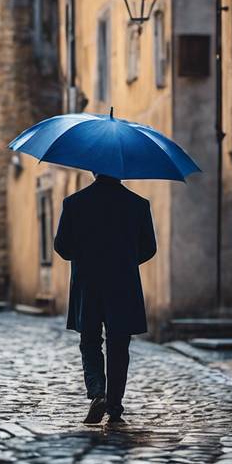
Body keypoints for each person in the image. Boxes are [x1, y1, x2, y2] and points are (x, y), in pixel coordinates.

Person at [54, 173, 157, 425]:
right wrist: (126, 261)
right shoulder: (138, 204)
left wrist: (84, 254)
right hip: (123, 284)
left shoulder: (74, 203)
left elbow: (62, 247)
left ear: (93, 171)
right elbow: (149, 247)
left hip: (87, 283)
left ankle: (97, 392)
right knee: (119, 345)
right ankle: (114, 406)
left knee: (89, 341)